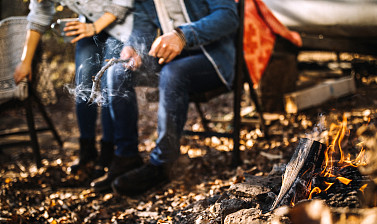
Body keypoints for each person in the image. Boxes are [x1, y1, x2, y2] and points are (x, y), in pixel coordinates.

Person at [97, 0, 239, 196]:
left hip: (212, 58)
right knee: (117, 73)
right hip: (170, 58)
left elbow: (228, 17)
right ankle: (126, 155)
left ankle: (162, 163)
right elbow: (142, 28)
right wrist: (133, 48)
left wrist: (182, 36)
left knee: (173, 73)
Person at [14, 0, 143, 182]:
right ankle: (87, 152)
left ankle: (110, 152)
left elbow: (123, 2)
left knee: (109, 85)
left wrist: (95, 27)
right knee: (83, 86)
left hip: (121, 25)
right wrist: (25, 61)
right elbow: (38, 16)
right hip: (89, 24)